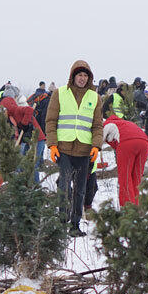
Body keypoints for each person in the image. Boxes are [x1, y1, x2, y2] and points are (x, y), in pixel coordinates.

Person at [45, 60, 104, 237]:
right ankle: (62, 222)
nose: (82, 78)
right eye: (79, 75)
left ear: (89, 78)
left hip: (84, 150)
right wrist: (52, 144)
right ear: (73, 76)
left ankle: (75, 224)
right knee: (64, 186)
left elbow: (97, 126)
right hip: (64, 149)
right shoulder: (60, 93)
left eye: (85, 75)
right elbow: (51, 121)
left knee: (80, 189)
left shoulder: (95, 97)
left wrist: (96, 146)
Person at [101, 116, 148, 206]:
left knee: (125, 177)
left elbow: (99, 140)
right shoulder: (125, 123)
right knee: (136, 177)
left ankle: (128, 208)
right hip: (144, 142)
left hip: (127, 143)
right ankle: (136, 206)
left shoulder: (107, 124)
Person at [0, 96, 47, 183]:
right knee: (22, 161)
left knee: (33, 163)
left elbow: (29, 110)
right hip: (28, 140)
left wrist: (24, 124)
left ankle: (35, 186)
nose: (3, 112)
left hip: (38, 138)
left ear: (8, 107)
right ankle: (23, 184)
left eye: (4, 109)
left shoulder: (17, 110)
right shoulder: (11, 117)